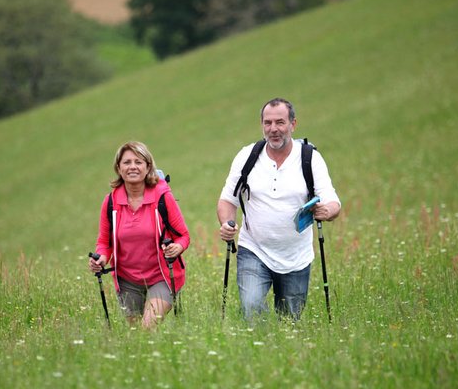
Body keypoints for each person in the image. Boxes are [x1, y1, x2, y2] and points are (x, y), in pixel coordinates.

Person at [217, 98, 341, 321]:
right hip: (253, 249)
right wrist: (226, 223)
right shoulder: (247, 156)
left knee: (289, 321)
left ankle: (276, 347)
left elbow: (332, 201)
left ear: (293, 124)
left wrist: (327, 211)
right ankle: (259, 347)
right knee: (251, 307)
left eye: (280, 122)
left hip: (296, 257)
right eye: (268, 123)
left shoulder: (309, 158)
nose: (273, 129)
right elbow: (228, 199)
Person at [89, 141, 190, 329]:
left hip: (162, 276)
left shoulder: (162, 196)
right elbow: (104, 242)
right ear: (119, 168)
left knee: (147, 328)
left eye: (138, 162)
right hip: (127, 281)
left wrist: (178, 247)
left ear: (148, 167)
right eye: (127, 162)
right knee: (136, 339)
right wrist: (100, 259)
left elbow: (184, 236)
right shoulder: (111, 202)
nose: (133, 167)